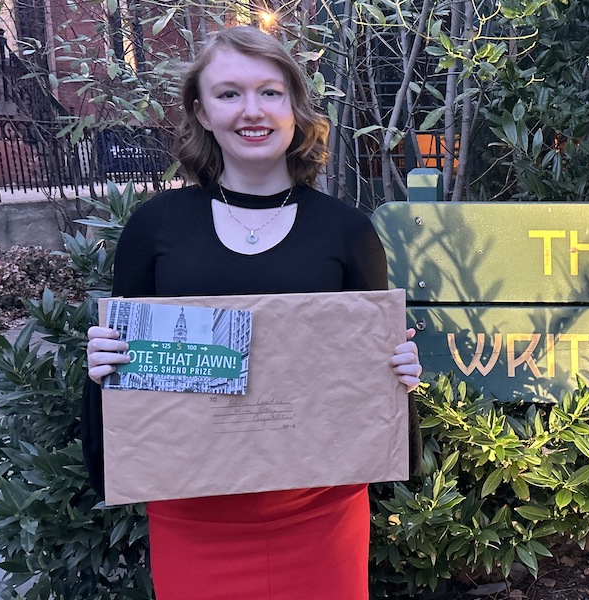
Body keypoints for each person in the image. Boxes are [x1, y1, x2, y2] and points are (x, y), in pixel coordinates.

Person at [80, 25, 422, 599]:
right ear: (202, 112)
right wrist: (104, 363)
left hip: (321, 509)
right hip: (193, 509)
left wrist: (399, 371)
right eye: (229, 94)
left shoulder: (347, 231)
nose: (252, 110)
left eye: (269, 92)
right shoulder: (156, 227)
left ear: (294, 107)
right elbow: (126, 370)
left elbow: (371, 370)